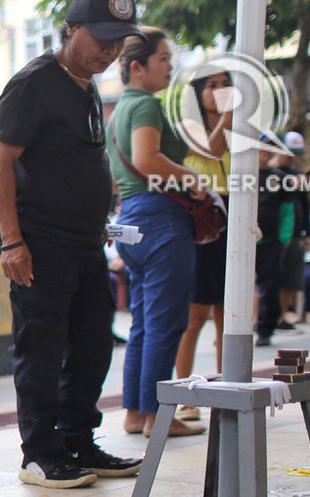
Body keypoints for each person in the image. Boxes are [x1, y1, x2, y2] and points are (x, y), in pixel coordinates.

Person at [0, 0, 145, 490]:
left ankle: (78, 441)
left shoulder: (89, 86)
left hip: (85, 245)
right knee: (41, 350)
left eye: (117, 41)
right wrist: (12, 241)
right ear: (70, 29)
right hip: (40, 245)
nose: (109, 50)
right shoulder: (34, 83)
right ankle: (39, 453)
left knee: (94, 346)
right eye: (100, 39)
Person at [107, 27, 205, 439]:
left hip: (130, 216)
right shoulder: (145, 105)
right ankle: (157, 419)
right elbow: (148, 160)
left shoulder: (117, 112)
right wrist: (190, 176)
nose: (170, 66)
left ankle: (136, 412)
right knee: (165, 322)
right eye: (163, 59)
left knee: (145, 322)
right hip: (160, 216)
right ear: (137, 66)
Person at [175, 69, 232, 421]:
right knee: (195, 314)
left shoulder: (239, 125)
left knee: (230, 312)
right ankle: (186, 393)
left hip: (232, 217)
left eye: (227, 85)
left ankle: (229, 386)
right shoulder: (187, 124)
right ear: (198, 92)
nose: (222, 91)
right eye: (213, 85)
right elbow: (213, 148)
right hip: (201, 217)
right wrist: (230, 110)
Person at [271, 131, 310, 328]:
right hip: (272, 235)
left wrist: (308, 233)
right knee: (268, 278)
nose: (291, 157)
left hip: (295, 234)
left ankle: (281, 316)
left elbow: (305, 205)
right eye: (287, 152)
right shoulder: (266, 174)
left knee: (291, 279)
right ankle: (262, 318)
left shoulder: (298, 176)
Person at [254, 143, 289, 347]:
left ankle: (265, 329)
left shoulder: (280, 178)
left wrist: (282, 238)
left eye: (267, 150)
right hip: (241, 242)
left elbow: (288, 210)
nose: (263, 155)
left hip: (270, 241)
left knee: (270, 285)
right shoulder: (238, 176)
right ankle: (228, 328)